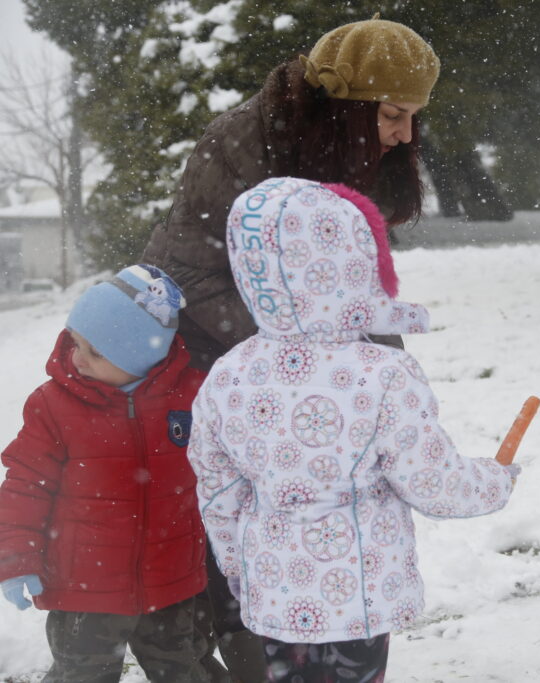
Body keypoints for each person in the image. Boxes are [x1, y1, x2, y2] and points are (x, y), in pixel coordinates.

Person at [141, 16, 441, 679]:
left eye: (415, 117)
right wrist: (295, 361)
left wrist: (381, 368)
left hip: (296, 367)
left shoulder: (346, 150)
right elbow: (190, 272)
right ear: (347, 104)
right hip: (215, 363)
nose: (404, 135)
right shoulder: (241, 146)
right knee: (248, 531)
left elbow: (340, 284)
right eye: (393, 114)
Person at [188, 176, 519, 682]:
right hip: (359, 596)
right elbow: (431, 481)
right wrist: (493, 481)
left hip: (278, 589)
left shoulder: (230, 374)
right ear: (352, 264)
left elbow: (217, 486)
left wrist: (238, 563)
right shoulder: (382, 373)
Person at [0, 265, 209, 682]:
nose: (78, 359)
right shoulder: (53, 405)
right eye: (76, 344)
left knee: (184, 668)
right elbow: (25, 484)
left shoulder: (194, 397)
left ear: (142, 355)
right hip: (84, 588)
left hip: (171, 579)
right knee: (82, 673)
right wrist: (16, 556)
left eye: (96, 352)